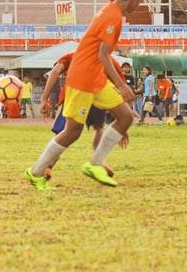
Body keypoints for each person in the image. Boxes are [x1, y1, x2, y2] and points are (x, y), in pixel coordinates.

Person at [25, 0, 146, 190]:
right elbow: (102, 54)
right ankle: (36, 172)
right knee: (72, 132)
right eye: (141, 1)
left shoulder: (108, 10)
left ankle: (95, 164)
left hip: (96, 78)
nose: (139, 5)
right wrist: (120, 84)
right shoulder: (113, 17)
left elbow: (103, 55)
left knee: (125, 116)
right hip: (83, 78)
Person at [40, 50, 127, 178]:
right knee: (98, 128)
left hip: (75, 96)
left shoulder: (74, 54)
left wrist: (44, 98)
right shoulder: (110, 60)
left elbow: (56, 71)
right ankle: (99, 161)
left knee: (63, 133)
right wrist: (122, 124)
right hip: (96, 96)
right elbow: (121, 89)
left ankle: (47, 166)